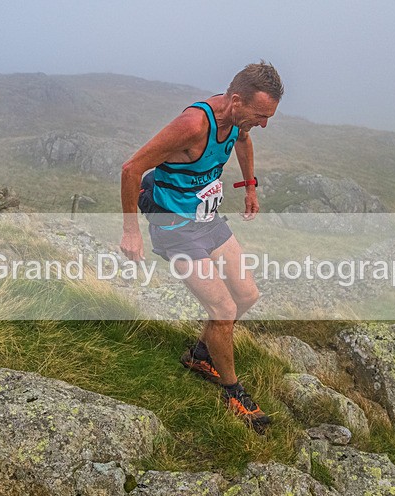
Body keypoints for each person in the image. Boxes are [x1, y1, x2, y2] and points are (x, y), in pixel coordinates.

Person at [120, 61, 283, 433]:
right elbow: (131, 169)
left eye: (269, 116)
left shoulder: (237, 122)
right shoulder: (194, 125)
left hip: (207, 221)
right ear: (237, 100)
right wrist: (131, 231)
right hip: (175, 228)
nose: (264, 123)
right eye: (260, 115)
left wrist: (250, 186)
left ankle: (200, 355)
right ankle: (232, 390)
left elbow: (242, 140)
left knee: (247, 294)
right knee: (223, 308)